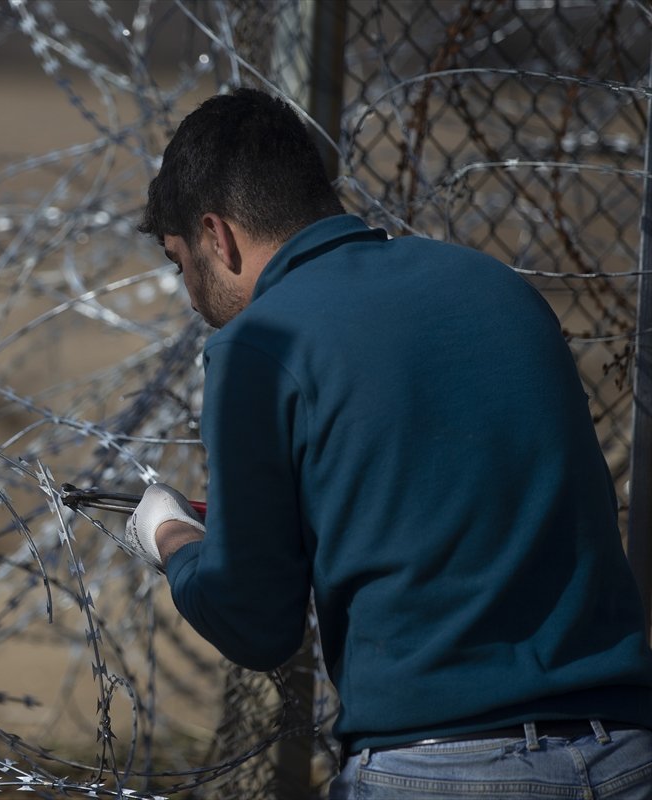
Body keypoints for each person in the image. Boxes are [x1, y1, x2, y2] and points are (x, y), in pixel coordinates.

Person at [124, 87, 652, 798]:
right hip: (622, 748)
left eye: (179, 262)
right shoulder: (496, 286)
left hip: (437, 765)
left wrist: (171, 538)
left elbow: (256, 623)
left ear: (217, 237)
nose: (190, 294)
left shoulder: (261, 344)